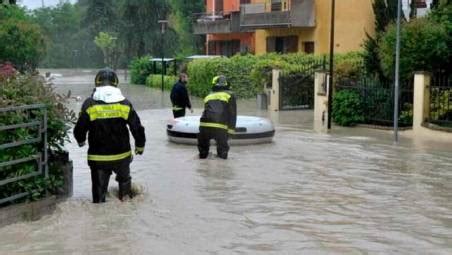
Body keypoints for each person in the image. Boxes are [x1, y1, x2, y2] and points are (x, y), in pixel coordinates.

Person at [74, 68, 146, 203]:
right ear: (115, 83)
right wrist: (140, 145)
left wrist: (81, 140)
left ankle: (100, 219)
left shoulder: (90, 104)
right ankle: (126, 209)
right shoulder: (125, 103)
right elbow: (137, 127)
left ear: (97, 82)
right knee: (125, 193)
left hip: (98, 158)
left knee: (99, 198)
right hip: (122, 156)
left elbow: (80, 127)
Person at [198, 75, 237, 159]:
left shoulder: (208, 95)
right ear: (226, 84)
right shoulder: (230, 95)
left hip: (204, 125)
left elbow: (206, 111)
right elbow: (232, 114)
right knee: (222, 153)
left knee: (203, 153)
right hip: (220, 126)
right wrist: (231, 131)